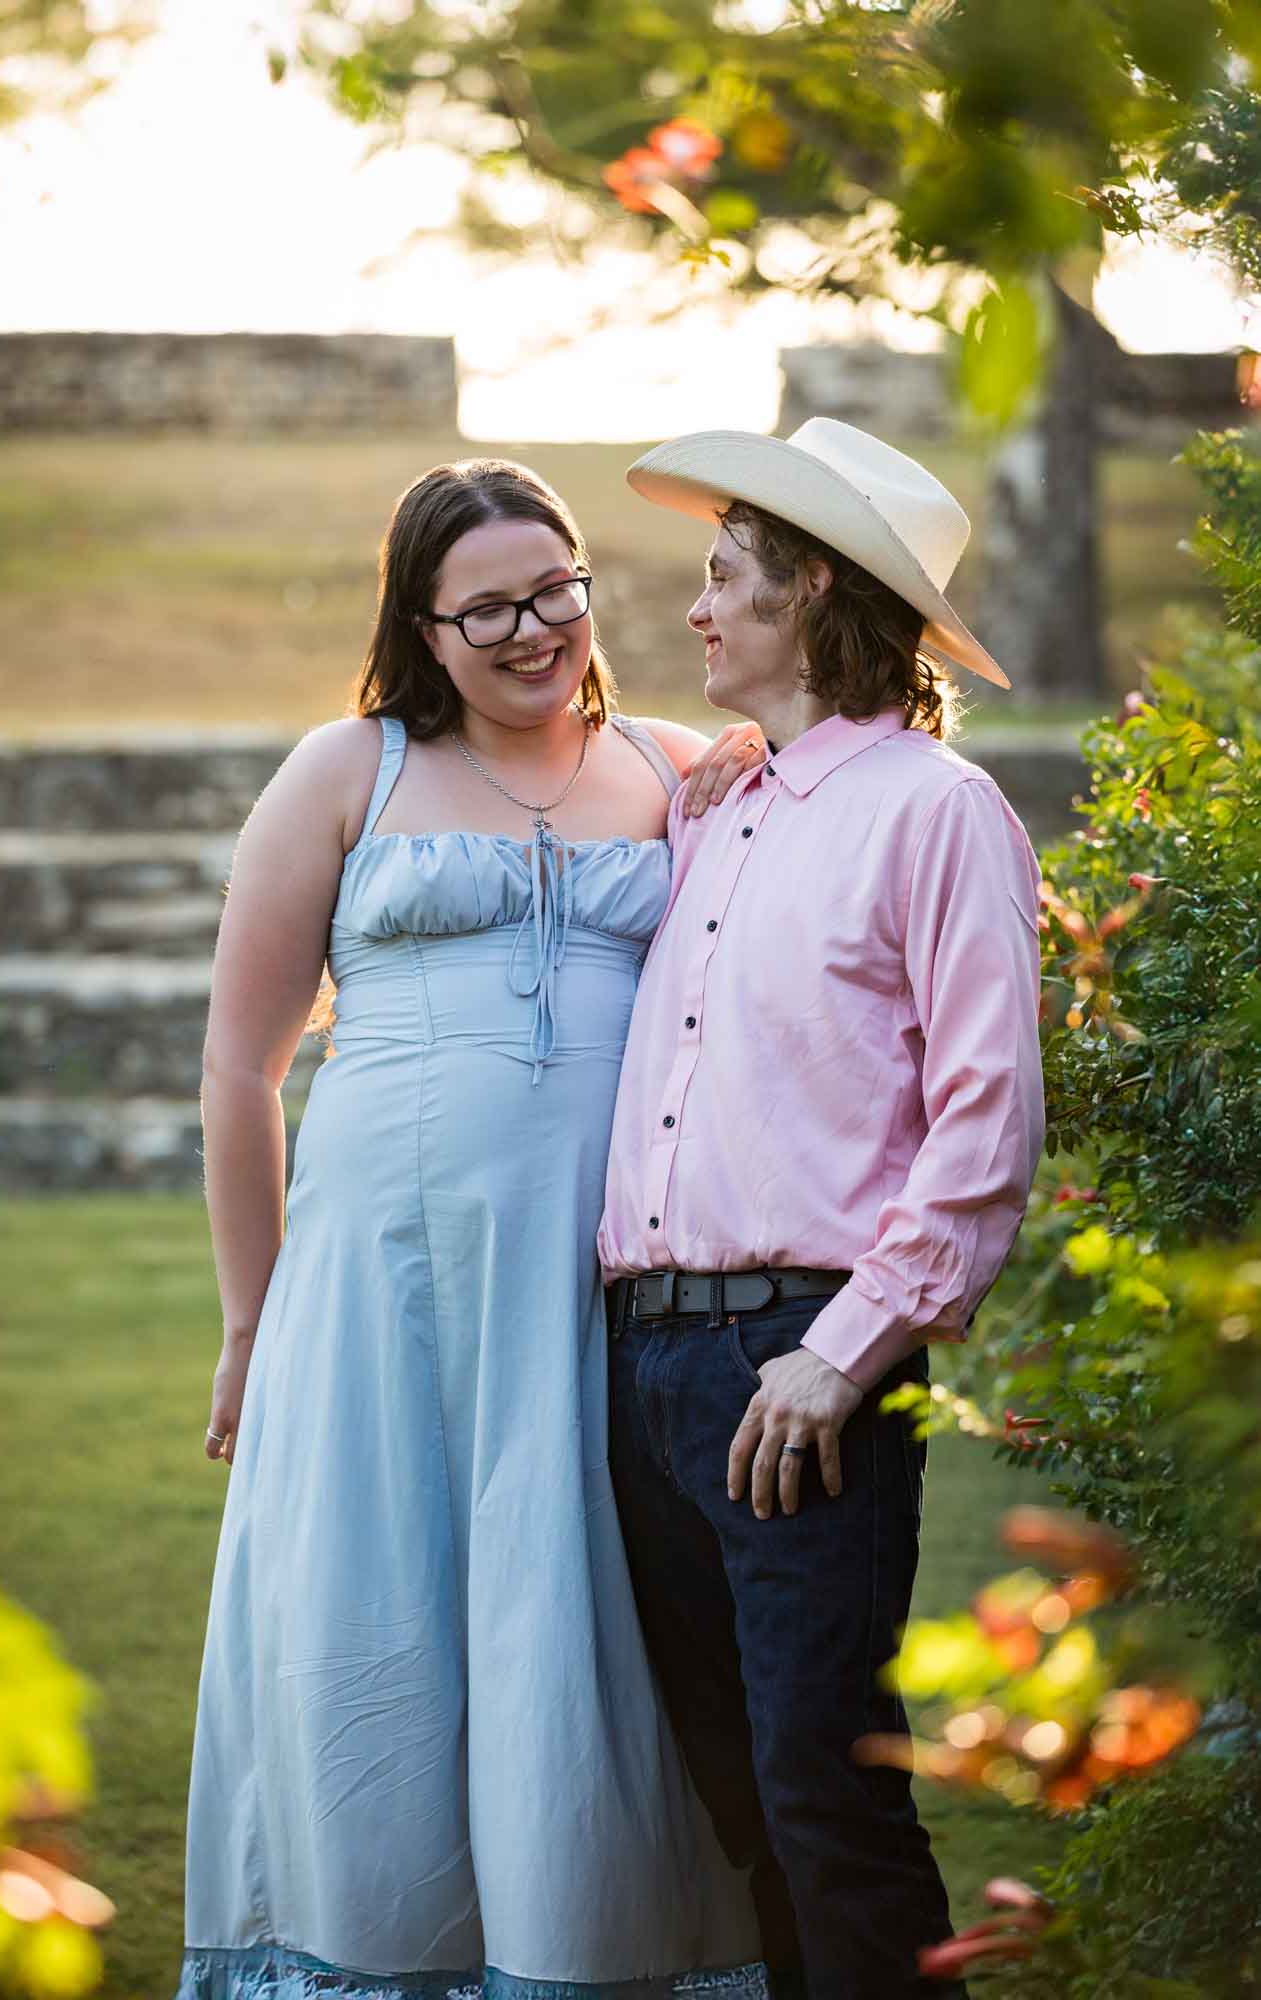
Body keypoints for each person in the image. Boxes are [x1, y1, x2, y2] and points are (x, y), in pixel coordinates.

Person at [175, 457, 769, 2000]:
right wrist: (252, 1321)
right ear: (421, 626)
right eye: (486, 608)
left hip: (603, 1294)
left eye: (554, 590)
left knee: (588, 1630)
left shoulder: (680, 766)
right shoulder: (344, 772)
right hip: (381, 1293)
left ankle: (599, 1958)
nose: (530, 631)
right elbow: (242, 1066)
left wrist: (764, 749)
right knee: (378, 1623)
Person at [599, 419, 1047, 2000]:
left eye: (727, 578)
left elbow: (984, 1129)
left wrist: (845, 1352)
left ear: (816, 598)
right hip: (640, 1367)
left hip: (800, 1365)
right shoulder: (718, 805)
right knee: (728, 1801)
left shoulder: (936, 813)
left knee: (821, 1792)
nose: (698, 608)